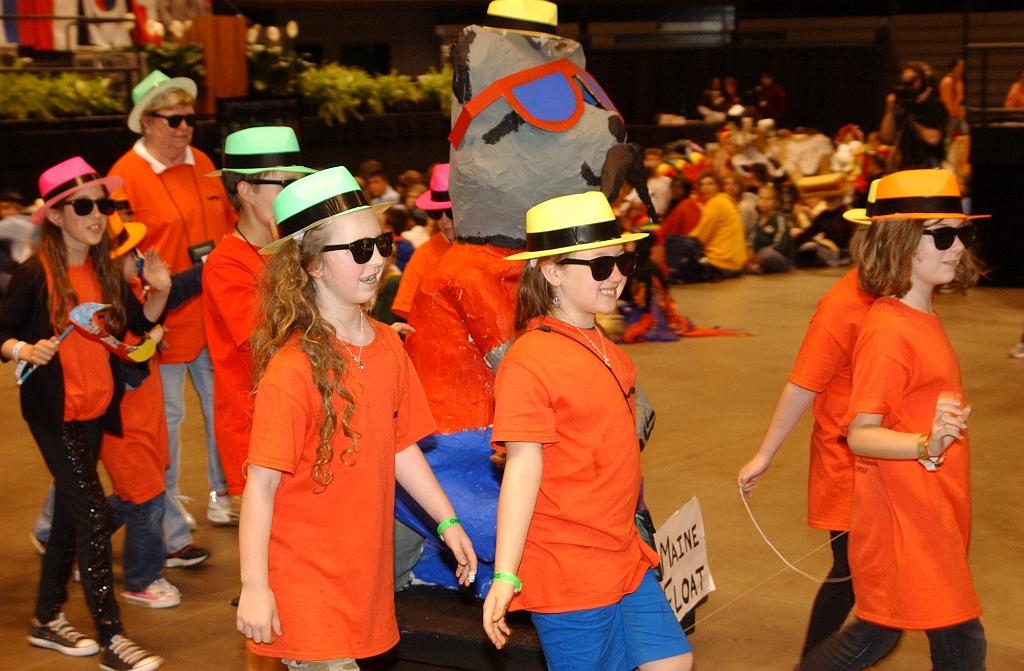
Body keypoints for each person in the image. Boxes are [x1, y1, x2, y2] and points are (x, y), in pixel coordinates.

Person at [236, 166, 477, 670]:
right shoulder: (293, 368)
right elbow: (260, 486)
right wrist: (254, 587)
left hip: (361, 572)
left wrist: (446, 519)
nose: (377, 261)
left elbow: (399, 444)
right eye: (359, 250)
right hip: (305, 579)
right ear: (314, 266)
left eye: (382, 244)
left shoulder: (388, 344)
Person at [483, 191, 693, 671]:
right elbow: (522, 469)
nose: (617, 275)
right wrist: (506, 576)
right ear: (552, 271)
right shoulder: (529, 362)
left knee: (672, 661)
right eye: (600, 266)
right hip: (569, 564)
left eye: (622, 262)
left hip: (620, 550)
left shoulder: (604, 347)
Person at [800, 169, 988, 670]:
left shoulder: (918, 317)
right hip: (907, 518)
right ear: (900, 240)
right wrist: (927, 443)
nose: (956, 248)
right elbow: (860, 434)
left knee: (885, 636)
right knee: (958, 643)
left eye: (961, 234)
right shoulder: (889, 332)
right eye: (942, 236)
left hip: (930, 509)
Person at [0, 156, 169, 670]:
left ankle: (47, 618)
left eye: (103, 204)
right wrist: (23, 350)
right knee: (94, 514)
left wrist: (158, 289)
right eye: (83, 205)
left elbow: (135, 325)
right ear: (54, 215)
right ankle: (112, 638)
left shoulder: (103, 269)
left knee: (77, 518)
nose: (97, 215)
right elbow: (2, 334)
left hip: (96, 408)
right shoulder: (35, 274)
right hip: (54, 412)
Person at [738, 203, 874, 658]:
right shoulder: (843, 306)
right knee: (852, 570)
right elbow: (803, 383)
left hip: (891, 457)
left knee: (864, 572)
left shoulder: (901, 299)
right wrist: (764, 455)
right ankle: (815, 661)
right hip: (850, 461)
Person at [107, 70, 238, 536]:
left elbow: (225, 229)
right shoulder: (123, 178)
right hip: (158, 321)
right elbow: (122, 255)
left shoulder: (202, 160)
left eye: (190, 118)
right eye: (174, 118)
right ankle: (167, 514)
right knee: (165, 423)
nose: (184, 127)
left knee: (221, 408)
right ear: (147, 122)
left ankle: (224, 496)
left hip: (211, 313)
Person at [203, 126, 316, 502]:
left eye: (297, 182)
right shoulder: (227, 263)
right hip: (258, 427)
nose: (294, 192)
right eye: (283, 183)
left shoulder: (293, 247)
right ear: (246, 191)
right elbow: (264, 338)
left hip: (303, 415)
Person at [391, 163, 455, 320]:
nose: (445, 222)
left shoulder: (492, 245)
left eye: (451, 213)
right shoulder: (425, 254)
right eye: (436, 214)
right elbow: (407, 311)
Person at [666, 171, 748, 282]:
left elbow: (700, 238)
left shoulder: (716, 203)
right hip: (735, 265)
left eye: (710, 184)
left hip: (720, 265)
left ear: (719, 186)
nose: (706, 188)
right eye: (702, 185)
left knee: (674, 244)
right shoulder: (727, 201)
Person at [880, 61, 948, 169]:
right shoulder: (900, 105)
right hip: (905, 168)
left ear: (925, 81)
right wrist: (890, 111)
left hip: (930, 168)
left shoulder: (935, 105)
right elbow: (886, 138)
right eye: (905, 79)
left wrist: (912, 120)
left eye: (913, 79)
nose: (908, 83)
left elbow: (933, 139)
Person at [746, 184, 795, 274]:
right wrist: (750, 250)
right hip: (759, 256)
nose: (764, 202)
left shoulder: (780, 218)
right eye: (761, 198)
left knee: (767, 254)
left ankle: (759, 267)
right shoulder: (757, 220)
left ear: (776, 202)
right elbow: (752, 240)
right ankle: (758, 268)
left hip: (779, 256)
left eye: (768, 199)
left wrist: (758, 256)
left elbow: (781, 244)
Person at [939, 58, 966, 136]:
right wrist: (953, 114)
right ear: (954, 67)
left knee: (964, 136)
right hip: (950, 118)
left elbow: (960, 100)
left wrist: (961, 112)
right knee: (950, 140)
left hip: (959, 116)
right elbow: (945, 102)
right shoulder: (947, 82)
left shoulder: (959, 82)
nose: (963, 68)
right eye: (961, 66)